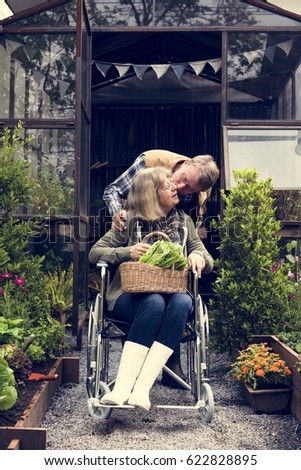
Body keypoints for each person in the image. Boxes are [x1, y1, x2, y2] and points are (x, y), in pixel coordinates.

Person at [89, 167, 214, 411]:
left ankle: (141, 390)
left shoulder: (184, 222)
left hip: (175, 297)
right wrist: (127, 252)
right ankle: (123, 387)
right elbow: (95, 252)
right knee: (154, 301)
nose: (174, 187)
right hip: (129, 297)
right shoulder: (128, 221)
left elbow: (207, 259)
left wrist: (198, 255)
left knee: (181, 303)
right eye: (167, 185)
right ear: (152, 194)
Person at [103, 149, 220, 231]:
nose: (178, 187)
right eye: (182, 178)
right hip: (133, 228)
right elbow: (113, 191)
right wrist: (117, 213)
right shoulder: (151, 162)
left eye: (188, 188)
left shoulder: (203, 191)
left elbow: (192, 226)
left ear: (200, 190)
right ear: (186, 163)